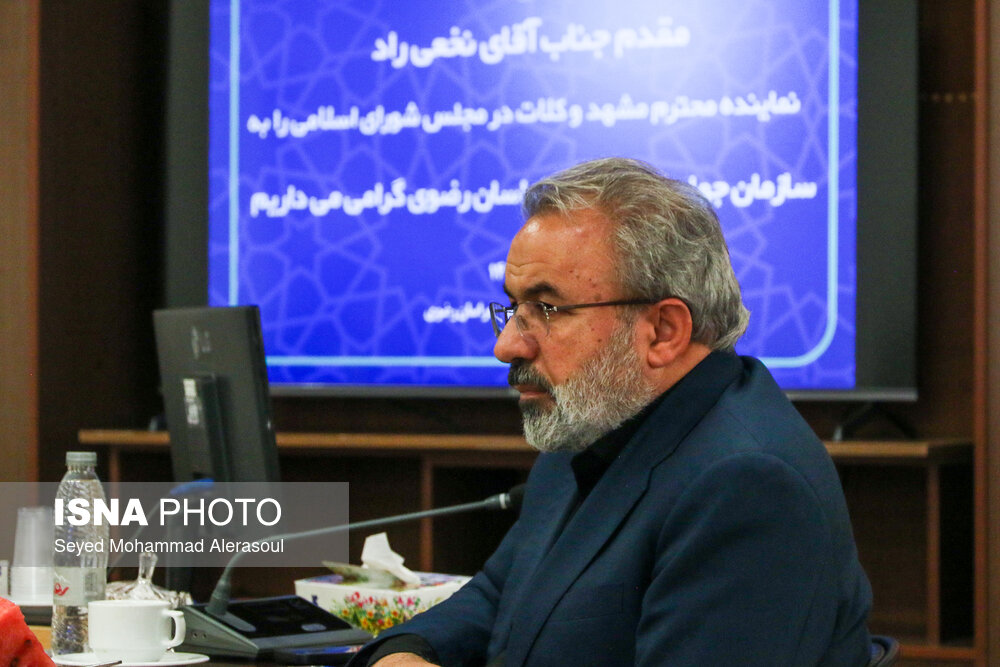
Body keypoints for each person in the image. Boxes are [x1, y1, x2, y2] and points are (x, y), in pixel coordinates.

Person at [351, 158, 872, 666]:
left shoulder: (747, 485)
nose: (506, 345)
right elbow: (499, 596)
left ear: (663, 331)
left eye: (547, 309)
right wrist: (408, 651)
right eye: (513, 308)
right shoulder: (594, 422)